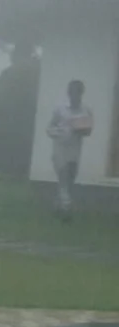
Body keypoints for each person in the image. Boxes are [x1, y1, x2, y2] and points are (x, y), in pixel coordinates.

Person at [47, 79, 94, 222]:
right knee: (63, 176)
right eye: (72, 93)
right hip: (60, 148)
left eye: (78, 93)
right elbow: (49, 128)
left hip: (75, 150)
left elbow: (88, 131)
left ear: (81, 93)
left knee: (69, 180)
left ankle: (58, 206)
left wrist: (81, 130)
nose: (75, 96)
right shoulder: (60, 109)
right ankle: (66, 210)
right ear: (69, 93)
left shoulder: (86, 110)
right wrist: (60, 132)